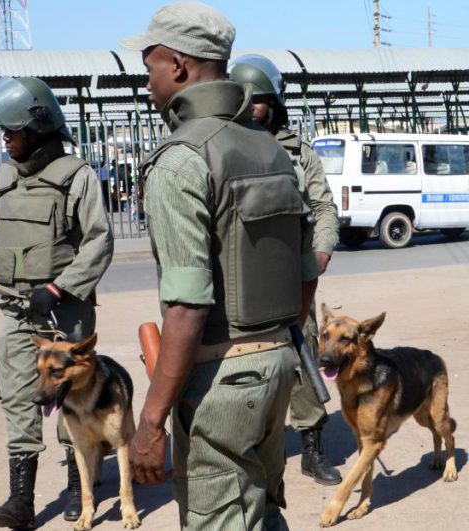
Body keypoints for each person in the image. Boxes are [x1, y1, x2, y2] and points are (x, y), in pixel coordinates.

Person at [122, 3, 310, 529]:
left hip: (223, 380)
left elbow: (186, 306)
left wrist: (152, 420)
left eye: (151, 66)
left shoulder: (181, 159)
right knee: (264, 513)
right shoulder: (271, 150)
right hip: (276, 366)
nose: (149, 81)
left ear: (179, 66)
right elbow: (304, 273)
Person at [0, 76, 114, 529]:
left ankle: (79, 488)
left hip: (63, 310)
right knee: (17, 397)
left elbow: (98, 243)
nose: (4, 139)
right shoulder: (7, 176)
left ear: (36, 128)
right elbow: (11, 241)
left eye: (10, 131)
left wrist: (58, 287)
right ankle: (21, 502)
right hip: (16, 310)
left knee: (72, 396)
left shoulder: (77, 176)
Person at [230, 54, 342, 486]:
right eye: (244, 98)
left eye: (259, 99)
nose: (251, 106)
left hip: (293, 277)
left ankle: (312, 450)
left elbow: (324, 206)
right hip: (243, 278)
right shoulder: (227, 148)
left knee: (303, 357)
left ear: (275, 101)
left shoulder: (299, 152)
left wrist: (322, 251)